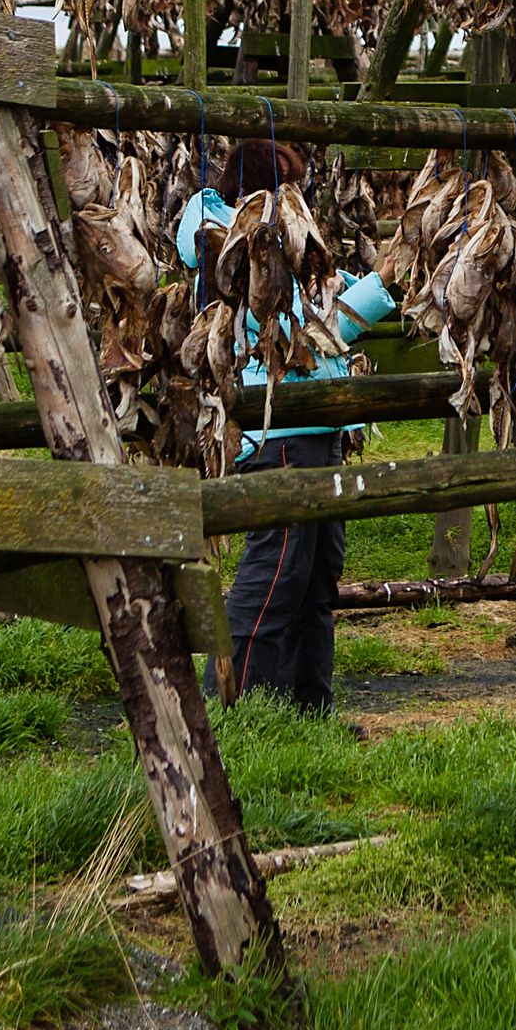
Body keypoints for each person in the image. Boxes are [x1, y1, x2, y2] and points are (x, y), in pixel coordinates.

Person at [180, 142, 397, 712]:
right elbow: (308, 333)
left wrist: (377, 281)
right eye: (287, 188)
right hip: (277, 434)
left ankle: (307, 710)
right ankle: (236, 709)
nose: (294, 200)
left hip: (316, 429)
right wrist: (375, 290)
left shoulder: (289, 249)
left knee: (316, 578)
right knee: (275, 573)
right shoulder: (232, 248)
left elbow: (327, 302)